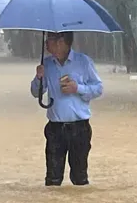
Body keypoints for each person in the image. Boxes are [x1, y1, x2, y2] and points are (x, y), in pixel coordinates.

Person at [30, 31, 103, 186]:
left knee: (79, 178)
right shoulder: (47, 64)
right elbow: (35, 92)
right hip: (55, 129)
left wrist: (78, 88)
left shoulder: (83, 62)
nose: (46, 43)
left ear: (60, 42)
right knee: (52, 180)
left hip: (80, 128)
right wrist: (38, 78)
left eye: (49, 39)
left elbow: (98, 88)